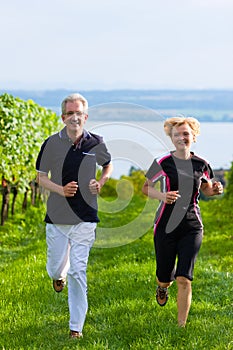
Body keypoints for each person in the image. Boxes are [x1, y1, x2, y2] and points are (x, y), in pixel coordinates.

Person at [36, 93, 113, 339]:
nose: (74, 117)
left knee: (78, 270)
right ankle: (58, 276)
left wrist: (101, 182)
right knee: (55, 269)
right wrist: (61, 190)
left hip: (86, 215)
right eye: (70, 113)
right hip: (57, 217)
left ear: (85, 116)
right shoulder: (51, 143)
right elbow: (41, 177)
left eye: (79, 113)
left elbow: (108, 164)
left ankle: (75, 327)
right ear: (63, 117)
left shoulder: (96, 142)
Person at [142, 116, 223, 327]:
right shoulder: (162, 163)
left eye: (186, 134)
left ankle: (181, 325)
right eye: (177, 134)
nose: (181, 138)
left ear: (193, 136)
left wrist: (214, 190)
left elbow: (206, 187)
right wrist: (163, 196)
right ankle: (162, 287)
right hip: (166, 225)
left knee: (184, 277)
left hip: (192, 226)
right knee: (165, 277)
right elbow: (145, 188)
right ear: (171, 137)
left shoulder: (202, 164)